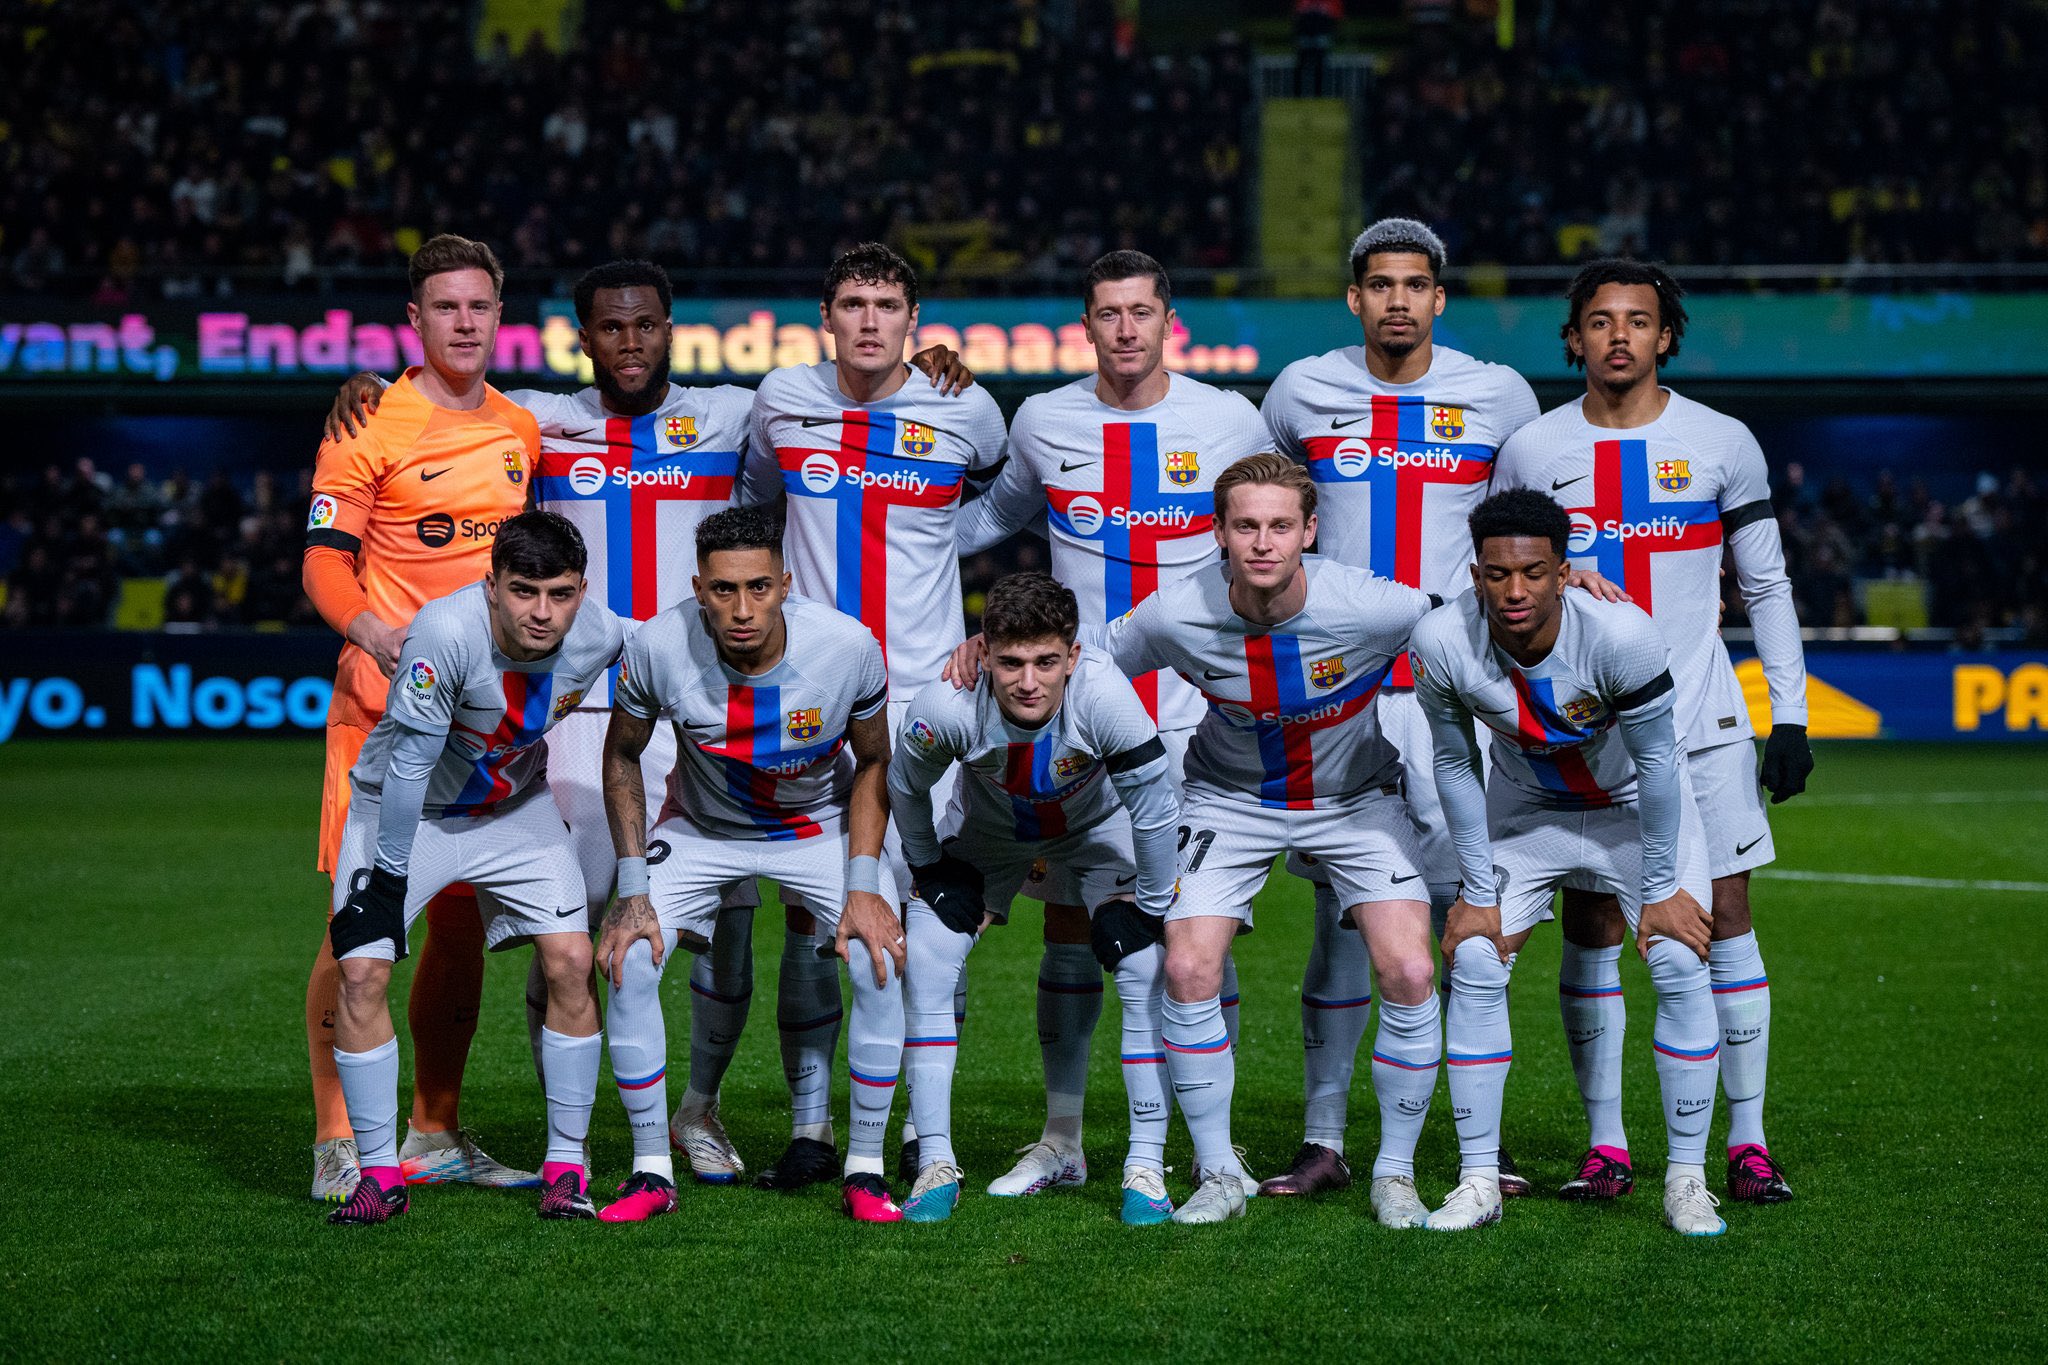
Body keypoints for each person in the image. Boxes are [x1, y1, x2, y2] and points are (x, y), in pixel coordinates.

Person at [322, 257, 974, 1189]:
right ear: (583, 338)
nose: (629, 343)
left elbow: (846, 408)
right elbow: (448, 404)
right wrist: (375, 390)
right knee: (576, 934)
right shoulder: (538, 420)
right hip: (583, 709)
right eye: (610, 327)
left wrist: (922, 368)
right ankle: (576, 1140)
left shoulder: (736, 412)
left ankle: (697, 1109)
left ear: (671, 329)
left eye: (646, 326)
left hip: (696, 693)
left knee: (729, 920)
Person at [1491, 259, 1811, 1204]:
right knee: (1591, 922)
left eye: (1638, 320)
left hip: (1702, 726)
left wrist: (1788, 713)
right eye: (1600, 321)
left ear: (1666, 335)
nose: (1619, 335)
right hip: (1579, 738)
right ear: (1575, 339)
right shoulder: (1534, 448)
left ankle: (1747, 1143)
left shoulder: (1721, 441)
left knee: (1725, 916)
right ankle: (1607, 1146)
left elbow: (1766, 585)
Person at [951, 249, 1268, 1199]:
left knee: (1198, 933)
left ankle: (1211, 1144)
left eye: (1141, 311)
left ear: (1169, 319)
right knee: (1070, 925)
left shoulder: (1229, 420)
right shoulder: (1044, 422)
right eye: (1107, 313)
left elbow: (1289, 532)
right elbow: (975, 525)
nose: (1125, 329)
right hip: (1079, 726)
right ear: (1085, 324)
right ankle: (1065, 1137)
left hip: (1203, 722)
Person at [1259, 217, 1542, 1198]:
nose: (1396, 301)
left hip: (1456, 699)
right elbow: (1261, 511)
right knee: (1341, 918)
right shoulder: (1301, 391)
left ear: (1438, 298)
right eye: (1379, 284)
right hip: (1337, 698)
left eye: (1414, 285)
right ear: (1354, 298)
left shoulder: (1498, 395)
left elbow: (1532, 533)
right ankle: (1325, 1139)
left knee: (1472, 914)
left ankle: (1478, 1141)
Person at [1096, 454, 1444, 1226]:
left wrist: (1572, 593)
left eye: (1281, 525)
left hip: (1355, 799)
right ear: (1219, 532)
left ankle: (1395, 1174)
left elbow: (1473, 623)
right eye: (1246, 525)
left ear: (1309, 531)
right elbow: (1088, 664)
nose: (1263, 542)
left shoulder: (1372, 606)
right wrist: (987, 648)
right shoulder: (1174, 612)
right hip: (1230, 799)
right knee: (1187, 966)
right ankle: (1218, 1174)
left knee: (1412, 968)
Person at [742, 241, 1008, 1189]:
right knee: (813, 916)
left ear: (913, 319)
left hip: (930, 701)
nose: (869, 320)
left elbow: (1003, 498)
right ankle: (812, 1129)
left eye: (887, 304)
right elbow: (754, 509)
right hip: (811, 699)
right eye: (852, 303)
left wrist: (975, 609)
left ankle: (922, 1127)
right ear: (825, 316)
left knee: (934, 918)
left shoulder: (965, 407)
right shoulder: (781, 400)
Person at [1409, 488, 1726, 1236]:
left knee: (1678, 959)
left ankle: (1687, 1180)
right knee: (1476, 957)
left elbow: (1659, 763)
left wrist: (1659, 891)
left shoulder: (1621, 633)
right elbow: (1454, 764)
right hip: (1528, 811)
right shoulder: (1442, 640)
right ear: (1476, 573)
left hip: (1632, 808)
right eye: (1496, 574)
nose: (1514, 591)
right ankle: (1478, 1179)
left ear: (1562, 573)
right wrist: (1477, 891)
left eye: (1532, 572)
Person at [300, 234, 541, 1202]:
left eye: (479, 305)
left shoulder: (521, 428)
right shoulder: (369, 423)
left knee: (460, 925)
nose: (465, 322)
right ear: (414, 319)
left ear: (500, 315)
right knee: (356, 930)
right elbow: (324, 559)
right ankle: (336, 1140)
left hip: (482, 734)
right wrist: (374, 632)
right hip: (381, 720)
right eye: (446, 306)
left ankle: (433, 1130)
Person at [592, 506, 907, 1223]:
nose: (742, 610)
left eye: (759, 588)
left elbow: (875, 762)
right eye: (724, 590)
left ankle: (865, 1169)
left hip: (816, 827)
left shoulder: (846, 647)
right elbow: (622, 754)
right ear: (698, 589)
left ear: (785, 585)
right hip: (703, 830)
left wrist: (863, 885)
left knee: (879, 955)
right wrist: (633, 888)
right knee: (629, 956)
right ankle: (650, 1170)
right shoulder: (658, 645)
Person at [324, 511, 627, 1224]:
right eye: (523, 591)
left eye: (559, 593)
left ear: (581, 591)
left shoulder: (603, 634)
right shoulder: (444, 632)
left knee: (571, 960)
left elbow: (677, 647)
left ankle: (567, 1168)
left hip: (513, 810)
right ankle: (379, 1176)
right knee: (361, 970)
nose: (541, 612)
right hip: (404, 812)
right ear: (492, 586)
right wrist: (388, 878)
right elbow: (408, 764)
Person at [890, 573, 1182, 1225]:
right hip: (990, 836)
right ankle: (934, 1161)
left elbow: (1157, 811)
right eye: (1011, 663)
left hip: (1097, 830)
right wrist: (928, 867)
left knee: (1143, 967)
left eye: (1046, 662)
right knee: (927, 957)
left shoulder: (1104, 694)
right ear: (985, 652)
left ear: (1073, 657)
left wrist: (1150, 908)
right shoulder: (947, 702)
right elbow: (905, 787)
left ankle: (1145, 1166)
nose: (1028, 681)